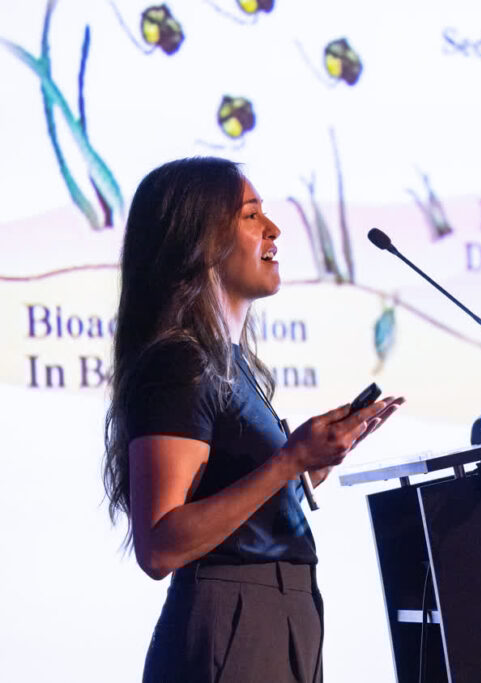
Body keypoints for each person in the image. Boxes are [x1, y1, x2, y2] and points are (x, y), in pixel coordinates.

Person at [102, 156, 402, 682]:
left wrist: (311, 464)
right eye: (250, 216)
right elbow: (160, 544)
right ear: (199, 238)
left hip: (282, 612)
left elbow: (237, 499)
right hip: (236, 617)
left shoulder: (230, 363)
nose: (274, 230)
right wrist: (288, 462)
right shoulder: (181, 362)